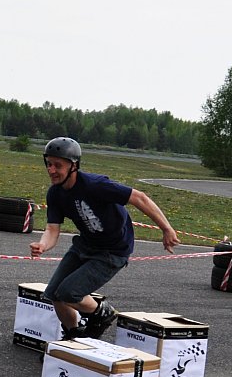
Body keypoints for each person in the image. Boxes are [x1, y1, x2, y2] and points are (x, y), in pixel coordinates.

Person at [29, 137, 180, 340]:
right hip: (86, 245)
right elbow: (52, 229)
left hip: (112, 251)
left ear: (73, 166)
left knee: (68, 293)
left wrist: (166, 229)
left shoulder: (95, 185)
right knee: (54, 294)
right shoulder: (55, 194)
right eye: (49, 164)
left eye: (58, 165)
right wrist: (42, 245)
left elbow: (139, 197)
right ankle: (74, 335)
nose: (51, 170)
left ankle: (103, 313)